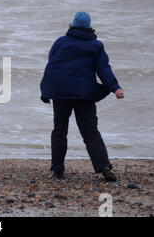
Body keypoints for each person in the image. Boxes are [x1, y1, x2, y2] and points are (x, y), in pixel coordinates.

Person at [40, 12, 124, 182]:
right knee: (90, 131)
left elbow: (52, 66)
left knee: (59, 130)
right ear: (89, 27)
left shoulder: (60, 42)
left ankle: (57, 170)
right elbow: (104, 69)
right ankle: (104, 167)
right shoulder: (96, 45)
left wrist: (46, 90)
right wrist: (115, 88)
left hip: (61, 92)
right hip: (84, 94)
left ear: (72, 25)